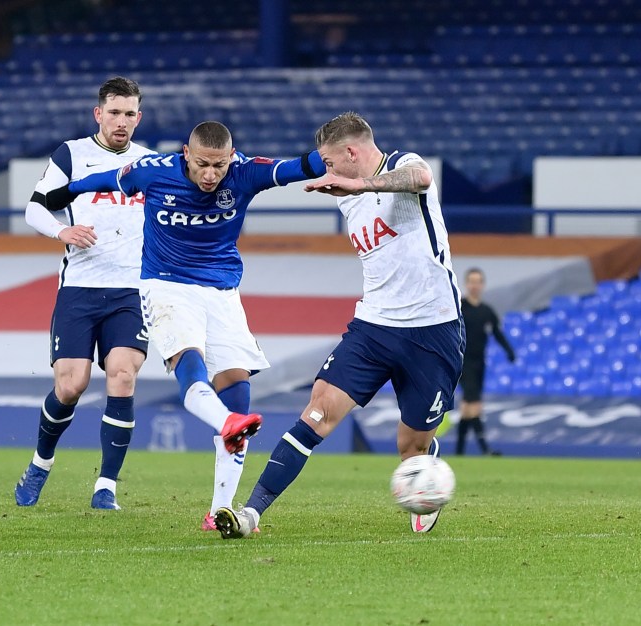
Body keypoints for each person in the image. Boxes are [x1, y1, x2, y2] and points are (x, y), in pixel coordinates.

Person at [54, 120, 327, 529]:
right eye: (203, 164)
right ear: (187, 153)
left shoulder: (244, 173)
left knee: (238, 393)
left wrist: (338, 157)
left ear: (230, 158)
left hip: (222, 294)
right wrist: (66, 190)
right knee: (192, 365)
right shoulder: (153, 170)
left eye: (219, 165)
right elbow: (105, 179)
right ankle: (225, 425)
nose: (211, 174)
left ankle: (218, 509)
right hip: (167, 287)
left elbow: (297, 167)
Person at [214, 111, 465, 538]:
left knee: (412, 447)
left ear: (351, 152)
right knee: (317, 413)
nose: (327, 171)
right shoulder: (344, 195)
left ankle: (424, 460)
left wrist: (359, 183)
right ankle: (250, 513)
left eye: (330, 162)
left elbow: (420, 178)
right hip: (373, 327)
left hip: (433, 329)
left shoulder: (404, 165)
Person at [14, 76, 154, 510]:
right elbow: (35, 206)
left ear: (139, 117)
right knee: (72, 385)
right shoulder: (72, 154)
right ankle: (41, 462)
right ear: (98, 114)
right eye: (114, 112)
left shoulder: (150, 163)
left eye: (130, 114)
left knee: (123, 375)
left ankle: (106, 486)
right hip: (79, 288)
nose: (121, 121)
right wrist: (63, 230)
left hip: (131, 290)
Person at [457, 267, 515, 456]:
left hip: (479, 363)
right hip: (462, 363)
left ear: (482, 285)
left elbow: (497, 333)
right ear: (466, 284)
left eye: (478, 282)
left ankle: (459, 451)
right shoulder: (459, 308)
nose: (474, 286)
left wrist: (509, 350)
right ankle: (485, 449)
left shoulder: (486, 312)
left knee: (467, 408)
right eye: (471, 282)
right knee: (475, 405)